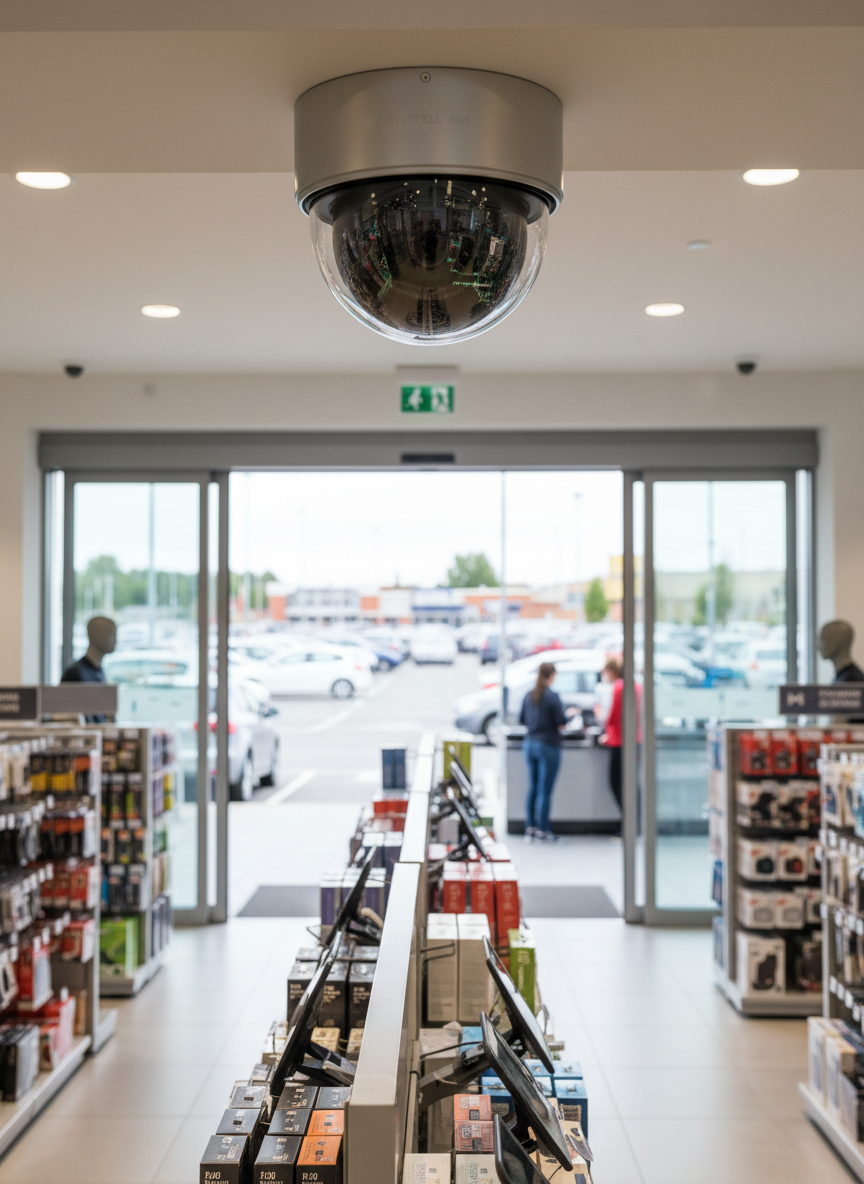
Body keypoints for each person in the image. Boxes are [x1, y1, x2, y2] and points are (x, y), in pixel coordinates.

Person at [519, 661, 568, 843]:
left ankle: (530, 827)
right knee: (544, 790)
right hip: (548, 746)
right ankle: (544, 829)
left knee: (533, 787)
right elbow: (561, 722)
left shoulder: (528, 695)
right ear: (551, 675)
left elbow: (522, 719)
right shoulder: (552, 697)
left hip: (530, 745)